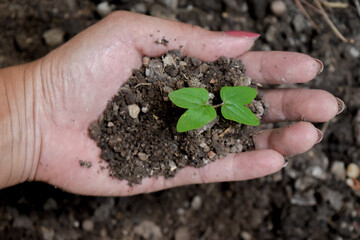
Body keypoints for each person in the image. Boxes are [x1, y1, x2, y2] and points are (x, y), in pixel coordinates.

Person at [0, 11, 344, 196]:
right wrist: (37, 106)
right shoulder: (195, 103)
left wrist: (31, 112)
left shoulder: (225, 104)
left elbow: (230, 110)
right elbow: (181, 108)